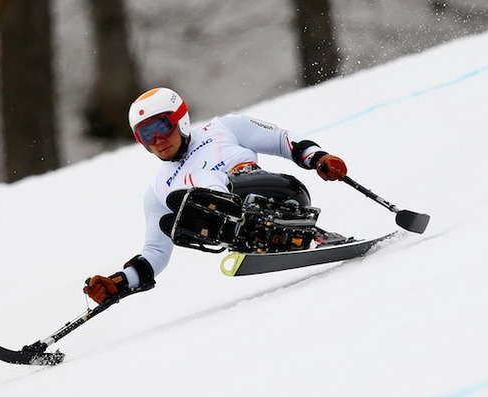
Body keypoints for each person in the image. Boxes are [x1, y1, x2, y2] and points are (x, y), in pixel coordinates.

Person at [84, 87, 347, 304]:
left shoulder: (223, 128)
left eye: (162, 127)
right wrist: (119, 282)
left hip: (281, 195)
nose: (157, 140)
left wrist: (318, 158)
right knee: (177, 213)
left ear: (180, 120)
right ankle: (261, 236)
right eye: (146, 135)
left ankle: (310, 236)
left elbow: (282, 140)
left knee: (205, 186)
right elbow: (155, 251)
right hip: (234, 232)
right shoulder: (157, 191)